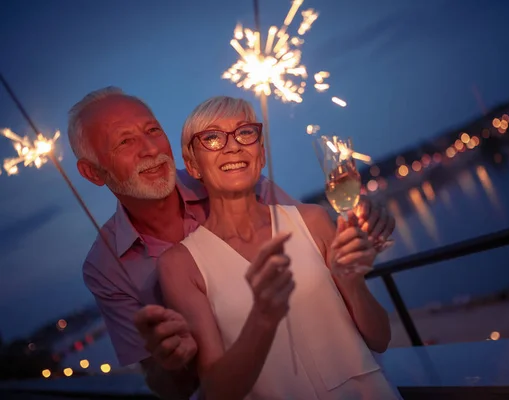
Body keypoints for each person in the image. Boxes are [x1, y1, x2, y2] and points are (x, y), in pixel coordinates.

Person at [68, 88, 396, 399]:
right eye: (125, 141)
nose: (151, 149)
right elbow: (173, 386)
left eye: (153, 130)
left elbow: (324, 258)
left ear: (262, 151)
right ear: (93, 173)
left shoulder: (251, 184)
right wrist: (172, 361)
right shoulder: (111, 268)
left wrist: (361, 236)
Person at [157, 96, 400, 399]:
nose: (233, 145)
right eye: (212, 138)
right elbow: (218, 390)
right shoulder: (180, 265)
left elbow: (380, 338)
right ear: (193, 164)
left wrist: (352, 284)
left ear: (261, 152)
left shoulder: (313, 220)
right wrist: (263, 317)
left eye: (245, 132)